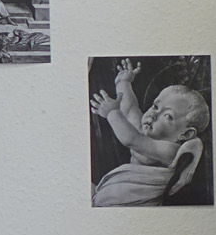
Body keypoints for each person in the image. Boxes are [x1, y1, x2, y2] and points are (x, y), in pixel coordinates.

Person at [90, 65, 209, 206]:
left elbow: (132, 140)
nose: (154, 114)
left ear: (185, 133)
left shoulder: (170, 150)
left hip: (139, 203)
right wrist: (123, 83)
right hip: (119, 189)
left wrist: (112, 113)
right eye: (155, 106)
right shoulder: (144, 130)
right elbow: (130, 109)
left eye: (167, 116)